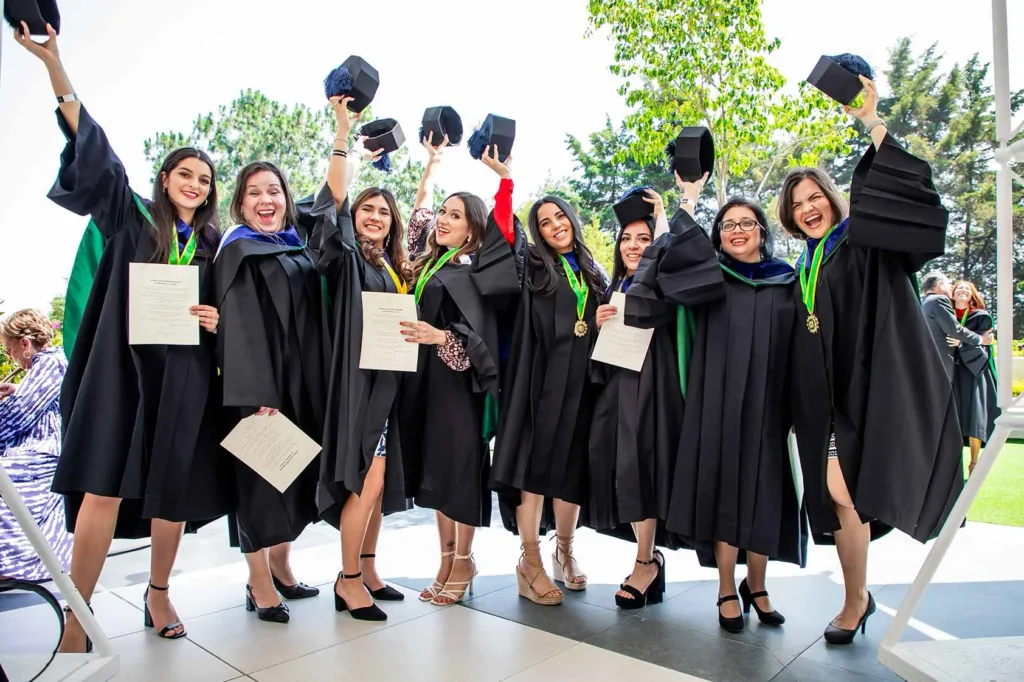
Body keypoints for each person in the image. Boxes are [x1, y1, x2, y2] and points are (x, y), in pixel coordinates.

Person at [17, 24, 233, 651]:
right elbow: (92, 143)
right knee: (101, 487)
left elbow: (227, 310)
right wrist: (56, 63)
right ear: (164, 180)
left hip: (184, 376)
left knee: (173, 492)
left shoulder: (216, 245)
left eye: (204, 178)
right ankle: (78, 615)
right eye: (184, 174)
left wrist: (215, 321)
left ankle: (158, 593)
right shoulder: (129, 217)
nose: (194, 184)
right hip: (123, 373)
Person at [779, 75, 964, 645]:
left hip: (863, 390)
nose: (809, 209)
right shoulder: (801, 268)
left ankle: (855, 598)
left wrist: (872, 122)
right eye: (797, 205)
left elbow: (904, 200)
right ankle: (856, 597)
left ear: (833, 200)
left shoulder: (861, 242)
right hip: (819, 403)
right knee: (839, 504)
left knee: (843, 489)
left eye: (816, 198)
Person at [636, 188, 807, 630]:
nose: (736, 231)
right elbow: (664, 273)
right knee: (725, 493)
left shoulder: (787, 280)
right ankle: (727, 587)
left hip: (769, 407)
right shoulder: (709, 278)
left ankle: (759, 583)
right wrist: (687, 200)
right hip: (716, 404)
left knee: (764, 493)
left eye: (746, 223)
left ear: (762, 233)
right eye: (727, 225)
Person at [400, 141, 524, 607]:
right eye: (442, 213)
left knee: (460, 473)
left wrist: (505, 180)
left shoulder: (478, 269)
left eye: (455, 214)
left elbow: (481, 336)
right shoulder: (428, 263)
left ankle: (465, 558)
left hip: (459, 387)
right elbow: (415, 222)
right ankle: (447, 556)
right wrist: (431, 168)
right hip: (425, 386)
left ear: (474, 225)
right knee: (436, 473)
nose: (442, 220)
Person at [311, 95, 416, 621]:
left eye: (383, 212)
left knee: (381, 482)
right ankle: (347, 578)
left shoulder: (394, 269)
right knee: (366, 480)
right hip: (360, 384)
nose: (375, 217)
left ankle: (369, 567)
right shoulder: (348, 255)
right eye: (366, 209)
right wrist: (342, 131)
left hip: (390, 383)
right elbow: (331, 200)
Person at [214, 161, 326, 624]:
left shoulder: (295, 243)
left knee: (292, 476)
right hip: (259, 389)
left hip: (300, 382)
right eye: (255, 193)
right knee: (259, 485)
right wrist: (257, 392)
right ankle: (258, 581)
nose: (266, 201)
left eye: (274, 191)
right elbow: (236, 328)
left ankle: (281, 566)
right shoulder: (237, 250)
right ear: (240, 203)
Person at [491, 195, 606, 605]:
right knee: (532, 471)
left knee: (571, 471)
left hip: (581, 385)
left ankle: (565, 550)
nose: (555, 225)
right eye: (544, 222)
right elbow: (503, 237)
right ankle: (531, 560)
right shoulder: (534, 267)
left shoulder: (593, 271)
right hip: (538, 384)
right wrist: (504, 184)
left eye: (560, 216)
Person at [586, 187, 678, 610]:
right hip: (617, 388)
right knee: (625, 470)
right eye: (626, 238)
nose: (633, 246)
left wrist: (665, 220)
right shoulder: (613, 285)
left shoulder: (663, 279)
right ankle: (648, 557)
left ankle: (645, 561)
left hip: (653, 387)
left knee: (645, 469)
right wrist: (599, 320)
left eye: (644, 239)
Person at [0, 310, 73, 583]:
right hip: (39, 450)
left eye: (10, 349)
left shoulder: (48, 363)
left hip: (42, 453)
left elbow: (19, 415)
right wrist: (17, 391)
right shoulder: (50, 364)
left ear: (25, 344)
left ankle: (11, 561)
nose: (10, 357)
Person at [950, 280, 998, 475]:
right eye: (959, 288)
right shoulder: (946, 315)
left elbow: (983, 348)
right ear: (952, 295)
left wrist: (960, 345)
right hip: (952, 371)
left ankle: (974, 462)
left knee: (973, 415)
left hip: (973, 371)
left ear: (972, 296)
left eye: (967, 289)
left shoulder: (981, 317)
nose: (962, 290)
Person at [920, 271, 992, 380]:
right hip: (941, 365)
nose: (950, 288)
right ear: (940, 284)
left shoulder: (921, 302)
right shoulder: (938, 299)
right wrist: (980, 339)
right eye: (950, 285)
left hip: (928, 363)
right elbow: (955, 330)